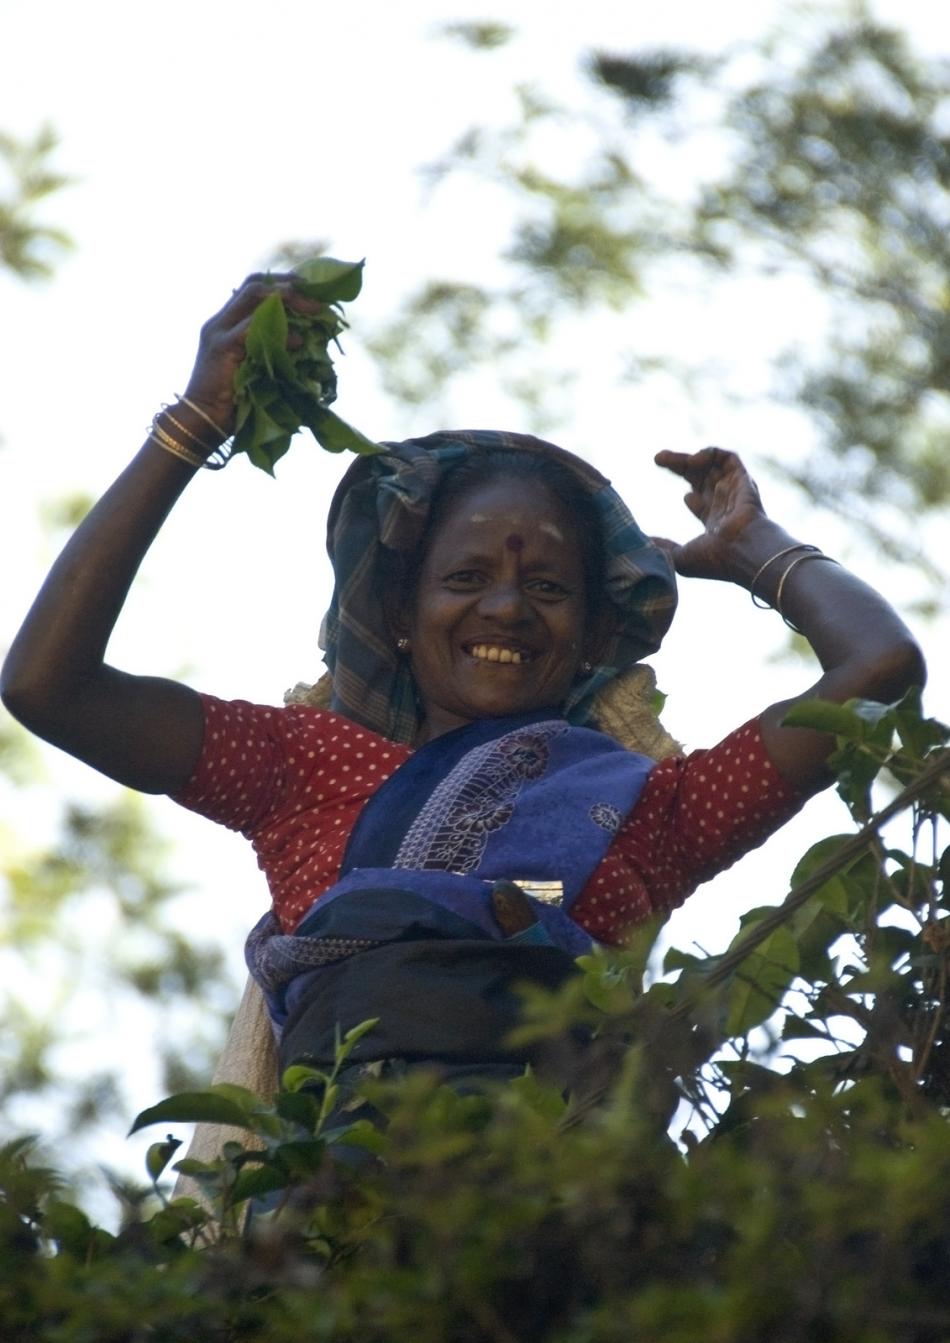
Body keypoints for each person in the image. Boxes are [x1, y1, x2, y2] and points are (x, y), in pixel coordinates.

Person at [1, 274, 926, 1106]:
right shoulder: (301, 763)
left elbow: (879, 669)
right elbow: (49, 686)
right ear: (402, 613)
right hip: (340, 1211)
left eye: (548, 587)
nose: (507, 607)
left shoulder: (653, 811)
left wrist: (754, 546)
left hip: (547, 1211)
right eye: (466, 577)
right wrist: (194, 424)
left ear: (594, 633)